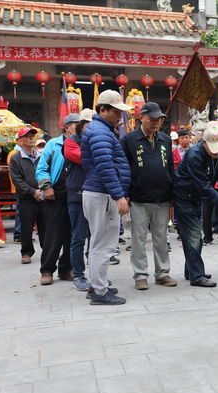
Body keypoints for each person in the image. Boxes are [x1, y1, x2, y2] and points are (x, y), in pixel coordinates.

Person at [81, 90, 132, 305]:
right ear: (102, 110)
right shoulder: (101, 132)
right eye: (115, 111)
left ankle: (97, 285)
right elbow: (105, 167)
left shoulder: (101, 130)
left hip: (100, 192)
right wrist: (118, 195)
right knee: (103, 244)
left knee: (98, 242)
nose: (119, 116)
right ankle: (100, 292)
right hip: (102, 193)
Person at [121, 102, 177, 291]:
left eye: (158, 120)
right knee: (139, 238)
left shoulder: (165, 139)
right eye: (151, 119)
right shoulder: (129, 139)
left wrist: (172, 192)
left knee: (162, 237)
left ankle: (162, 273)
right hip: (139, 198)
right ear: (141, 118)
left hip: (162, 197)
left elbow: (169, 167)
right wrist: (125, 194)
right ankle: (140, 274)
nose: (155, 123)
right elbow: (124, 169)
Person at [172, 124, 218, 287]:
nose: (216, 153)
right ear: (204, 143)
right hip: (184, 197)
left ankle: (192, 271)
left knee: (193, 237)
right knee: (194, 236)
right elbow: (204, 187)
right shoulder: (194, 155)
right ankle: (197, 276)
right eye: (213, 149)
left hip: (196, 197)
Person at [35, 114, 76, 285]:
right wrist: (47, 187)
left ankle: (66, 268)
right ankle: (46, 270)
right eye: (77, 125)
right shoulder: (53, 144)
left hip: (75, 195)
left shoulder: (82, 143)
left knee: (73, 235)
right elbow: (42, 168)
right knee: (54, 234)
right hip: (56, 194)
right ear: (66, 127)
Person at [63, 108, 93, 291]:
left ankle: (96, 273)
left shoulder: (94, 140)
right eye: (86, 123)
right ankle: (79, 274)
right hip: (77, 194)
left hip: (96, 193)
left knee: (96, 237)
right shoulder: (71, 142)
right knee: (78, 237)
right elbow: (85, 159)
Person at [9, 127, 45, 264]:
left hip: (43, 196)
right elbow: (17, 180)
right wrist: (32, 192)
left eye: (32, 135)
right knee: (26, 226)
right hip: (26, 198)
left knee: (45, 225)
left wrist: (44, 189)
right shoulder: (15, 158)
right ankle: (26, 252)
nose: (31, 138)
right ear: (19, 141)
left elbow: (48, 173)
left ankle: (47, 250)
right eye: (27, 136)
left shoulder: (42, 156)